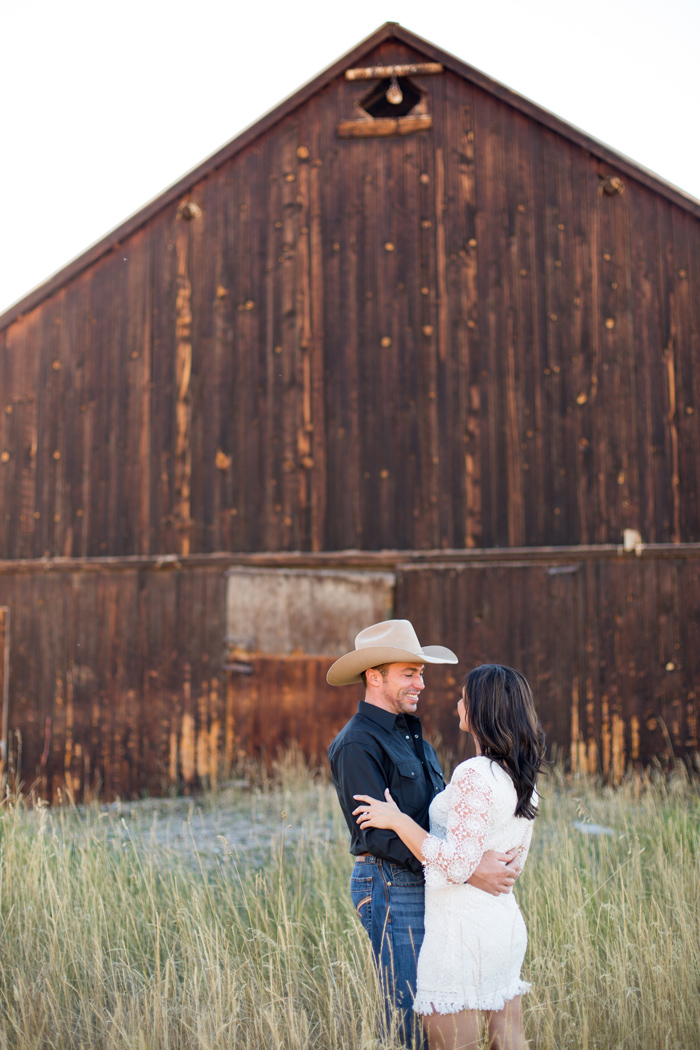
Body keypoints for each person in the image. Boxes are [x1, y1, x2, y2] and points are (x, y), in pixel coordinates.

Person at [327, 622, 523, 1049]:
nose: (421, 682)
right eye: (408, 673)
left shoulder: (413, 735)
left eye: (421, 672)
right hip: (390, 883)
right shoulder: (356, 744)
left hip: (437, 886)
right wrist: (469, 870)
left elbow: (444, 821)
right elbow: (379, 837)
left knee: (447, 1008)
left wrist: (470, 862)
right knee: (411, 1012)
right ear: (374, 677)